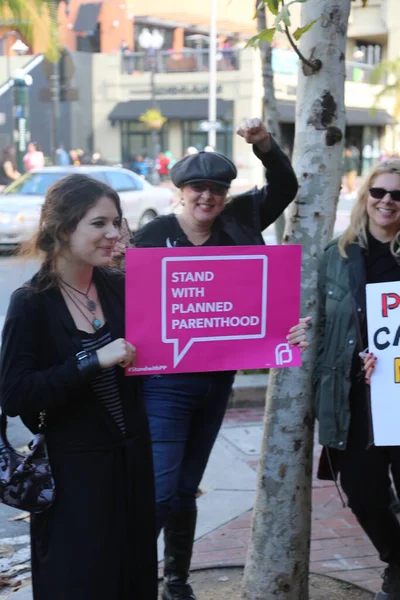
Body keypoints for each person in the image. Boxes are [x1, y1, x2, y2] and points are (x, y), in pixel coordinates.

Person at [133, 117, 305, 600]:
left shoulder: (241, 220)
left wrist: (265, 145)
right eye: (197, 188)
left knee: (186, 488)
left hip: (217, 381)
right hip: (164, 382)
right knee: (162, 490)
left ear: (227, 194)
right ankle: (133, 576)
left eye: (217, 189)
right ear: (180, 191)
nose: (207, 196)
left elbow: (286, 185)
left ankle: (177, 580)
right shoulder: (152, 237)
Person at [0, 175, 157, 600]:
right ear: (64, 228)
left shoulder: (121, 286)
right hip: (75, 478)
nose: (114, 234)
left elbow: (191, 335)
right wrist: (90, 360)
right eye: (99, 223)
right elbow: (15, 394)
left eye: (117, 222)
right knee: (83, 583)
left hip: (132, 464)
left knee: (135, 579)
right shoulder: (31, 302)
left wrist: (277, 336)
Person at [314, 159, 400, 600]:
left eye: (397, 195)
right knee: (362, 492)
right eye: (379, 192)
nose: (387, 202)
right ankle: (397, 560)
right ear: (366, 197)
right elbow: (325, 321)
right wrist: (306, 328)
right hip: (354, 396)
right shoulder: (339, 254)